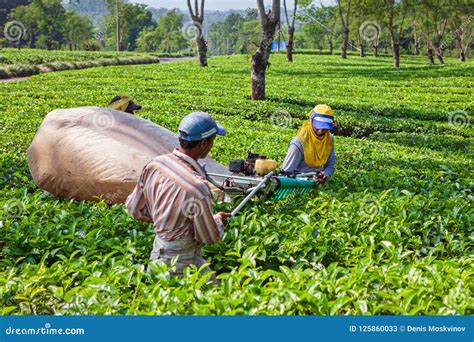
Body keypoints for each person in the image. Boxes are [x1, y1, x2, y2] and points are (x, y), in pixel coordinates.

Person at [125, 112, 231, 279]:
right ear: (204, 143)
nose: (212, 145)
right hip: (179, 263)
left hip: (159, 251)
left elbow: (133, 209)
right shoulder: (197, 188)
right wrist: (218, 220)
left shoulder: (155, 165)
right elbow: (208, 236)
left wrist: (165, 221)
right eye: (212, 140)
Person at [282, 104, 336, 184]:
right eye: (318, 126)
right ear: (311, 120)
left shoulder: (329, 139)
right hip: (299, 185)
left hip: (318, 184)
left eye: (325, 128)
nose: (321, 131)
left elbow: (330, 165)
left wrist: (325, 175)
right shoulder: (299, 143)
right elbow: (285, 174)